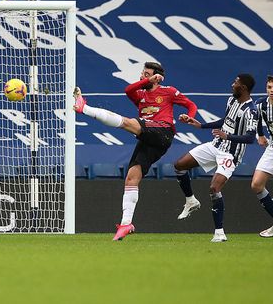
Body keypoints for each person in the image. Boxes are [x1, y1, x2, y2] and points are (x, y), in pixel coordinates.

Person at [73, 61, 197, 241]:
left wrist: (189, 117)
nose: (142, 76)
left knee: (127, 122)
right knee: (132, 177)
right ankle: (126, 224)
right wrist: (147, 80)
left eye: (146, 74)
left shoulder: (169, 91)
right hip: (148, 137)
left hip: (163, 131)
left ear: (157, 78)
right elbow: (128, 90)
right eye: (142, 73)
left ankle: (84, 108)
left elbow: (191, 105)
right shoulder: (139, 95)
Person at [173, 73, 257, 242]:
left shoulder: (251, 111)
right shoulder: (231, 100)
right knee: (179, 165)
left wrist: (228, 137)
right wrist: (200, 125)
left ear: (244, 88)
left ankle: (219, 233)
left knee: (214, 188)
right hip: (215, 145)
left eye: (236, 83)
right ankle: (191, 201)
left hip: (230, 154)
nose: (232, 85)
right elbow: (226, 121)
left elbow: (250, 138)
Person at [251, 75, 273, 238]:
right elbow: (258, 119)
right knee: (257, 184)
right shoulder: (261, 104)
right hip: (272, 147)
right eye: (269, 87)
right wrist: (260, 134)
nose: (271, 91)